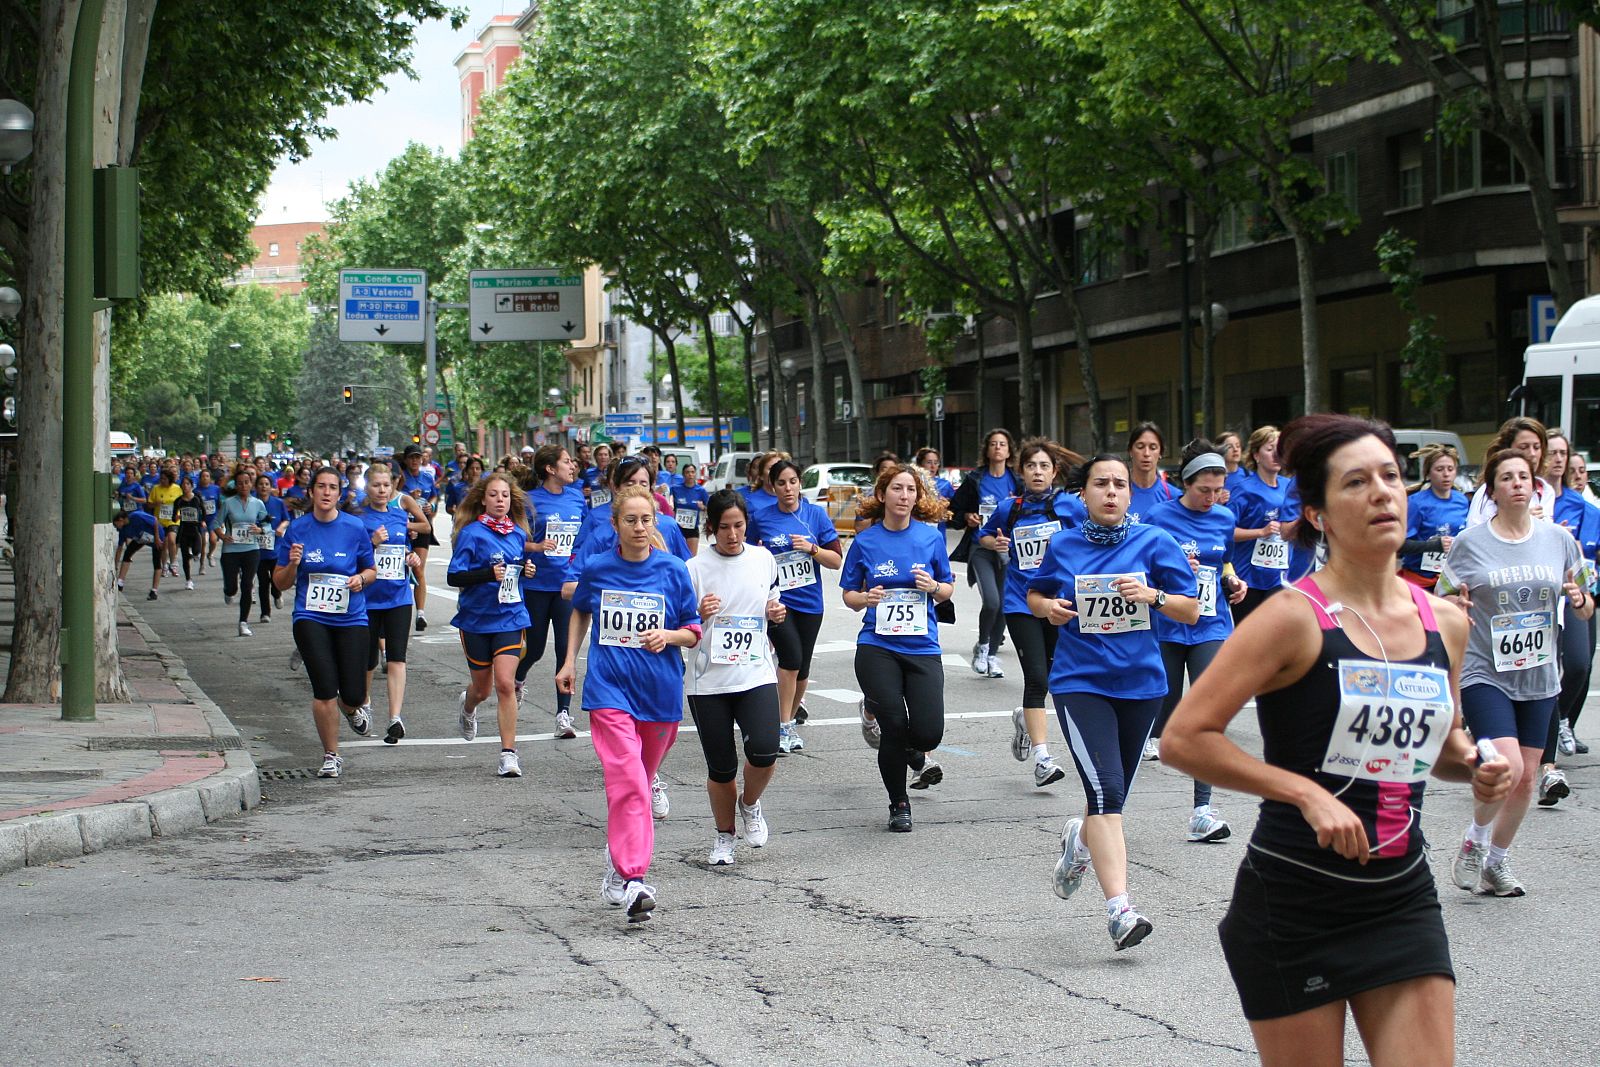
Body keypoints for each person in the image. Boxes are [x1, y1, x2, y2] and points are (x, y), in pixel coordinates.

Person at [1161, 414, 1510, 1062]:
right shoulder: (1293, 617)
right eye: (1357, 482)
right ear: (1317, 512)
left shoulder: (1448, 622)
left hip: (1401, 894)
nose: (1383, 492)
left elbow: (1443, 747)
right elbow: (1183, 737)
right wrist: (1303, 792)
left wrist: (1476, 764)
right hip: (1296, 898)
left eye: (1389, 476)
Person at [1027, 453, 1199, 950]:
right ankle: (1120, 909)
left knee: (1111, 797)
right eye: (1101, 484)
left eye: (1120, 485)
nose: (1111, 492)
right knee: (1105, 795)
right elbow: (1035, 595)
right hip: (1081, 683)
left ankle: (1078, 843)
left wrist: (1154, 596)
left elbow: (1190, 611)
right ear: (1084, 494)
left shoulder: (1155, 542)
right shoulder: (1063, 543)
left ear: (1130, 493)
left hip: (1142, 686)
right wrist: (1052, 610)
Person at [1442, 446, 1592, 897]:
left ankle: (1496, 863)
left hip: (1540, 673)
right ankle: (1475, 840)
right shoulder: (1471, 543)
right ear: (1493, 489)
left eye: (1524, 476)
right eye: (1507, 478)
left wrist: (1581, 601)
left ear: (1535, 485)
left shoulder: (1559, 540)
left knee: (1527, 777)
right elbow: (1443, 597)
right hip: (1485, 669)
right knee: (1503, 764)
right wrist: (1455, 606)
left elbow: (1585, 603)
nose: (1518, 484)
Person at [558, 484, 700, 923]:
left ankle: (616, 862)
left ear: (655, 523)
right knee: (629, 782)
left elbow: (693, 629)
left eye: (646, 520)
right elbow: (580, 609)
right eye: (631, 520)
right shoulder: (599, 568)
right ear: (615, 525)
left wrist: (669, 636)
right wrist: (569, 662)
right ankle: (635, 877)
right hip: (609, 689)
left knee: (640, 780)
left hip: (659, 692)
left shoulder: (674, 570)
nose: (640, 527)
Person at [842, 465, 955, 832]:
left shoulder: (930, 537)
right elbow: (849, 595)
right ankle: (899, 803)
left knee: (927, 734)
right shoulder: (866, 541)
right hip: (877, 645)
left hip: (922, 646)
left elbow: (948, 588)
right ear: (883, 495)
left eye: (910, 490)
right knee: (893, 724)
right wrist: (866, 597)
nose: (904, 496)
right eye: (897, 489)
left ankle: (910, 746)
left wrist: (933, 586)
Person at [1145, 439, 1249, 840]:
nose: (1210, 498)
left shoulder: (1223, 517)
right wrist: (1172, 569)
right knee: (1165, 710)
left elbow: (1222, 559)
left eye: (1217, 490)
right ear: (1186, 484)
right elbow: (1142, 567)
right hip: (1169, 624)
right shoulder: (1159, 516)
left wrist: (1231, 580)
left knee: (1206, 711)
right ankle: (1104, 806)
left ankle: (1202, 810)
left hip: (1211, 624)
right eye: (1202, 490)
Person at [686, 490, 787, 866]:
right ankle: (724, 837)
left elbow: (772, 601)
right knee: (722, 766)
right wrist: (698, 612)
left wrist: (776, 612)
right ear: (711, 528)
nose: (732, 534)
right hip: (707, 680)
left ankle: (750, 803)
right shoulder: (694, 569)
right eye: (724, 527)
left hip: (755, 671)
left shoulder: (763, 559)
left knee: (764, 751)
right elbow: (680, 624)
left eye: (739, 526)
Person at [977, 437, 1084, 789]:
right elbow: (984, 536)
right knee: (1036, 678)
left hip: (1060, 604)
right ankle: (1042, 758)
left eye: (1044, 466)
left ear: (1054, 472)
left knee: (1052, 678)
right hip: (1021, 602)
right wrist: (998, 542)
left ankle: (1025, 718)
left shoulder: (1070, 506)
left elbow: (1094, 535)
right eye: (1031, 466)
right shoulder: (1011, 508)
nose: (1037, 472)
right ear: (1021, 471)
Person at [273, 467, 378, 779]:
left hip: (351, 617)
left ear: (339, 493)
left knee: (354, 692)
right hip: (311, 616)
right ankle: (331, 755)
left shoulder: (355, 527)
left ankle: (352, 709)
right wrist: (292, 563)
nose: (327, 492)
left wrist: (360, 578)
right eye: (321, 486)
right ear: (312, 492)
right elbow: (279, 583)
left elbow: (371, 570)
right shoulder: (297, 530)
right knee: (323, 689)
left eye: (333, 487)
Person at [748, 458, 843, 754]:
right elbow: (746, 555)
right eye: (781, 483)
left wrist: (812, 549)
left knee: (802, 667)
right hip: (779, 602)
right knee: (789, 658)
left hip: (810, 602)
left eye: (792, 481)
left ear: (800, 484)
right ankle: (783, 727)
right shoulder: (762, 517)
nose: (788, 488)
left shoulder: (815, 515)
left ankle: (785, 721)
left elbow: (837, 560)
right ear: (772, 486)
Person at [448, 471, 538, 778]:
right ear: (483, 500)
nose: (500, 500)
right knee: (482, 689)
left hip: (510, 616)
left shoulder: (517, 534)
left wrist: (526, 571)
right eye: (494, 495)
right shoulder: (471, 534)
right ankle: (468, 705)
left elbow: (516, 570)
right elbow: (454, 577)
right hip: (476, 619)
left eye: (505, 495)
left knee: (504, 683)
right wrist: (488, 574)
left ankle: (508, 755)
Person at [353, 463, 426, 743]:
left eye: (386, 485)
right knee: (368, 660)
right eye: (376, 485)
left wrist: (411, 558)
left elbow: (402, 551)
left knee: (397, 657)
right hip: (368, 600)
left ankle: (395, 718)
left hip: (398, 596)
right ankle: (365, 706)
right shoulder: (357, 518)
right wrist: (371, 542)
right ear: (367, 487)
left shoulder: (399, 515)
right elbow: (351, 558)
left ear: (392, 486)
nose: (382, 490)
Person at [517, 445, 587, 739]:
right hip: (536, 585)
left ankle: (563, 715)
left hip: (566, 587)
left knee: (565, 650)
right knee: (533, 649)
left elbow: (584, 540)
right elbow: (516, 539)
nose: (573, 466)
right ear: (550, 468)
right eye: (567, 462)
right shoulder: (531, 501)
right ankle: (518, 680)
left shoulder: (577, 498)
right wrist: (536, 548)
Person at [1544, 430, 1598, 759]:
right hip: (1534, 596)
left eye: (1563, 452)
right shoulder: (1531, 498)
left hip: (1570, 592)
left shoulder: (1581, 505)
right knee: (1539, 670)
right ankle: (1544, 741)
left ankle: (1562, 718)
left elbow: (1588, 556)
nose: (1559, 459)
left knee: (1579, 664)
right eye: (1552, 452)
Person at [955, 429, 1018, 678]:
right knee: (991, 601)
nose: (998, 448)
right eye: (993, 444)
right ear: (987, 449)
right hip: (980, 546)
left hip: (1008, 550)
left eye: (1002, 444)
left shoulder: (1017, 481)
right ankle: (982, 647)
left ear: (1009, 450)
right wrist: (968, 517)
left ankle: (992, 655)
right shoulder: (975, 479)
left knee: (1004, 604)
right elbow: (955, 511)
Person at [1228, 426, 1297, 622]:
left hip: (1281, 575)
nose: (1276, 454)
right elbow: (1227, 532)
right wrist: (1260, 532)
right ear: (1256, 455)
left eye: (1279, 449)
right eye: (1269, 449)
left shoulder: (1289, 486)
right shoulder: (1244, 490)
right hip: (1249, 578)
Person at [1398, 444, 1468, 590]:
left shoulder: (1461, 500)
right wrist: (1435, 546)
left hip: (1453, 577)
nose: (1446, 474)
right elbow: (1400, 545)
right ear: (1428, 474)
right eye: (1439, 469)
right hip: (1422, 580)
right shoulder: (1416, 503)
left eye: (1450, 469)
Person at [216, 465, 270, 637]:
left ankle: (243, 622)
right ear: (236, 485)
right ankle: (228, 590)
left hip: (251, 549)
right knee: (232, 588)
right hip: (231, 550)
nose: (243, 486)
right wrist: (223, 536)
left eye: (247, 483)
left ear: (251, 484)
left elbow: (267, 523)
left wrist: (260, 530)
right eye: (240, 483)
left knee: (247, 585)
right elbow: (216, 523)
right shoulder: (228, 503)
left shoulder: (258, 503)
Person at [400, 444, 440, 632]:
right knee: (402, 570)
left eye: (418, 457)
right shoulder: (401, 478)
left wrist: (430, 507)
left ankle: (421, 613)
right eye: (412, 457)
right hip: (403, 528)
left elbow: (434, 497)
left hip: (423, 526)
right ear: (406, 460)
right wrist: (409, 497)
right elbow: (393, 498)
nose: (415, 461)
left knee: (418, 569)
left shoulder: (427, 477)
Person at [254, 473, 291, 624]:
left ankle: (277, 593)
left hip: (276, 547)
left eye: (266, 484)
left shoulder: (278, 503)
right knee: (263, 582)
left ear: (271, 487)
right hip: (258, 549)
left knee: (275, 579)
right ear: (256, 487)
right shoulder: (252, 503)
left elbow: (286, 519)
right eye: (261, 484)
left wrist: (282, 527)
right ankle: (265, 613)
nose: (263, 487)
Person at [1126, 422, 1175, 524]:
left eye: (1153, 448)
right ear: (1130, 451)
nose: (1146, 454)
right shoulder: (1116, 493)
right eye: (1140, 447)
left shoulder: (1173, 496)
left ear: (1160, 453)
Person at [114, 502, 164, 599]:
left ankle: (154, 590)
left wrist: (157, 538)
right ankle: (120, 582)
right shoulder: (123, 530)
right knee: (128, 554)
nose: (116, 527)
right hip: (141, 538)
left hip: (155, 536)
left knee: (157, 562)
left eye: (116, 524)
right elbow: (120, 548)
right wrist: (115, 564)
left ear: (121, 520)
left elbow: (155, 521)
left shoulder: (136, 516)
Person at [148, 467, 183, 577]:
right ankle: (164, 566)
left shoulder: (177, 488)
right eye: (161, 478)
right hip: (160, 520)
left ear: (169, 479)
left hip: (173, 519)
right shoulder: (156, 489)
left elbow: (182, 502)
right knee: (164, 544)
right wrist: (155, 504)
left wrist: (180, 514)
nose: (162, 481)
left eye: (164, 479)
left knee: (172, 540)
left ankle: (173, 563)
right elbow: (149, 504)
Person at [669, 461, 709, 556]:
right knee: (678, 555)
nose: (690, 474)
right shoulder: (675, 489)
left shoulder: (701, 490)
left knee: (691, 557)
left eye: (692, 472)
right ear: (683, 474)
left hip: (692, 528)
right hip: (678, 527)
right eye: (687, 472)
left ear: (695, 474)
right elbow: (668, 504)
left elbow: (710, 508)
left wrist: (702, 507)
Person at [173, 480, 206, 590]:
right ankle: (188, 580)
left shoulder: (196, 498)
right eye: (183, 485)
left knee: (197, 550)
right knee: (185, 556)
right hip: (184, 530)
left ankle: (195, 554)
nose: (185, 486)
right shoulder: (178, 501)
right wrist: (176, 517)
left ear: (191, 486)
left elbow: (204, 511)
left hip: (195, 528)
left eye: (188, 484)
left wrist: (203, 521)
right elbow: (173, 516)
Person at [196, 468, 221, 572]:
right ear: (200, 478)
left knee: (213, 540)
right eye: (203, 476)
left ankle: (210, 555)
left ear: (210, 478)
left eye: (207, 476)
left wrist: (221, 519)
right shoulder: (196, 491)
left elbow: (219, 504)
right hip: (201, 519)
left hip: (213, 518)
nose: (205, 478)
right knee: (203, 542)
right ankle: (202, 564)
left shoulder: (216, 489)